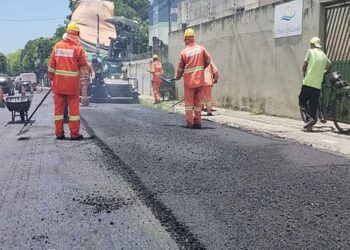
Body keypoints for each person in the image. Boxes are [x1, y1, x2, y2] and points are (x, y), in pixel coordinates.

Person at [48, 22, 88, 140]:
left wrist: (52, 78)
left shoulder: (57, 46)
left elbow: (51, 66)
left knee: (59, 111)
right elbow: (82, 65)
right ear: (77, 34)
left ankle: (59, 133)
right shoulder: (79, 49)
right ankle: (74, 134)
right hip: (72, 86)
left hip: (59, 85)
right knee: (74, 112)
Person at [175, 28, 211, 128]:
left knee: (189, 104)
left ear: (186, 39)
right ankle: (198, 122)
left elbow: (180, 67)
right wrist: (202, 67)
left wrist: (178, 76)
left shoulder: (184, 52)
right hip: (200, 81)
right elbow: (208, 60)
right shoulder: (201, 49)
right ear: (193, 38)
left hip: (189, 82)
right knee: (198, 104)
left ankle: (190, 123)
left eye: (184, 39)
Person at [299, 37, 331, 131]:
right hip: (317, 85)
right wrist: (324, 72)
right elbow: (330, 64)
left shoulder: (310, 51)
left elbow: (304, 65)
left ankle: (311, 119)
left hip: (308, 82)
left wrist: (304, 71)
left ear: (313, 44)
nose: (310, 45)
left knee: (302, 101)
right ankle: (310, 126)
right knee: (313, 105)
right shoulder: (324, 55)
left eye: (311, 44)